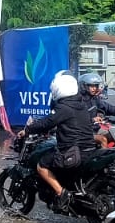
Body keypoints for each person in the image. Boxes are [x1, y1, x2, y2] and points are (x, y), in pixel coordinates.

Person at [17, 74, 98, 211]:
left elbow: (47, 122)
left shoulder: (64, 107)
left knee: (42, 165)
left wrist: (27, 130)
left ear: (59, 89)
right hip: (88, 149)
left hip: (73, 151)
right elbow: (70, 123)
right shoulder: (81, 105)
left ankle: (61, 193)